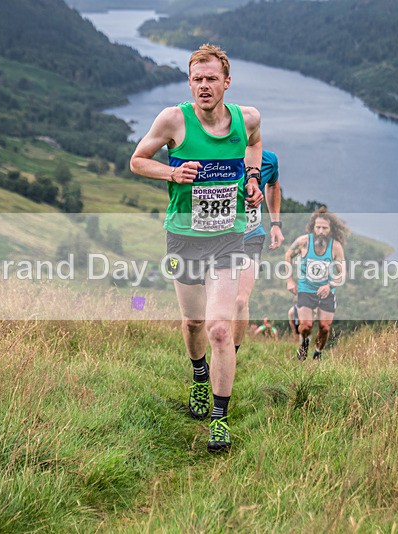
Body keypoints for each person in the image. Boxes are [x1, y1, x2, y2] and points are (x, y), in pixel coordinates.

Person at [129, 43, 263, 452]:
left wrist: (253, 178)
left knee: (219, 328)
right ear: (190, 83)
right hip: (184, 236)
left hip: (228, 236)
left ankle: (219, 419)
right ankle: (199, 375)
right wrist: (172, 171)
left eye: (211, 79)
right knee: (193, 325)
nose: (204, 86)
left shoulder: (248, 118)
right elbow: (137, 160)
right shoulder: (173, 120)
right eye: (196, 79)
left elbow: (255, 143)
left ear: (226, 81)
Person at [232, 149, 284, 353]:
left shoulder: (269, 159)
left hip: (250, 236)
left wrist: (276, 223)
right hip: (217, 238)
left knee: (239, 300)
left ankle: (230, 356)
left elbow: (273, 184)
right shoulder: (216, 154)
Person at [285, 207, 348, 361]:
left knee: (324, 328)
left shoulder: (336, 247)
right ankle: (304, 342)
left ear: (330, 229)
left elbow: (342, 273)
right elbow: (288, 255)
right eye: (317, 227)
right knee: (305, 326)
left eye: (324, 228)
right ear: (313, 227)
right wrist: (289, 280)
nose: (320, 231)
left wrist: (330, 286)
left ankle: (317, 354)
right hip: (305, 290)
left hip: (326, 292)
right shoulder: (303, 242)